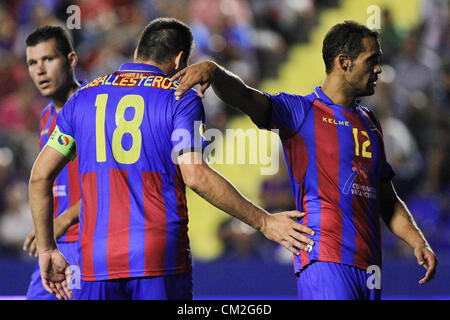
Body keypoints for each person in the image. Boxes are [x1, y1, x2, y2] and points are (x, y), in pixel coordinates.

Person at [28, 17, 314, 300]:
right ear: (179, 60)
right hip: (159, 257)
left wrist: (47, 249)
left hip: (97, 259)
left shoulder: (82, 99)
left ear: (140, 51)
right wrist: (264, 222)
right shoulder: (180, 98)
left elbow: (40, 176)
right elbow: (195, 176)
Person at [171, 21, 438, 300]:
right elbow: (244, 96)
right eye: (372, 61)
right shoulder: (300, 111)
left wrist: (417, 239)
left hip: (371, 269)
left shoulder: (370, 124)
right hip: (325, 261)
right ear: (343, 62)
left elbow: (386, 197)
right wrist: (215, 72)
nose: (378, 69)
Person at [24, 26, 84, 300]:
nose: (40, 70)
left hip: (89, 243)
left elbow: (114, 184)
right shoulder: (47, 118)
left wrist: (65, 219)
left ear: (71, 60)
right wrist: (44, 228)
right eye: (32, 63)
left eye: (48, 59)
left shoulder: (92, 112)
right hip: (57, 246)